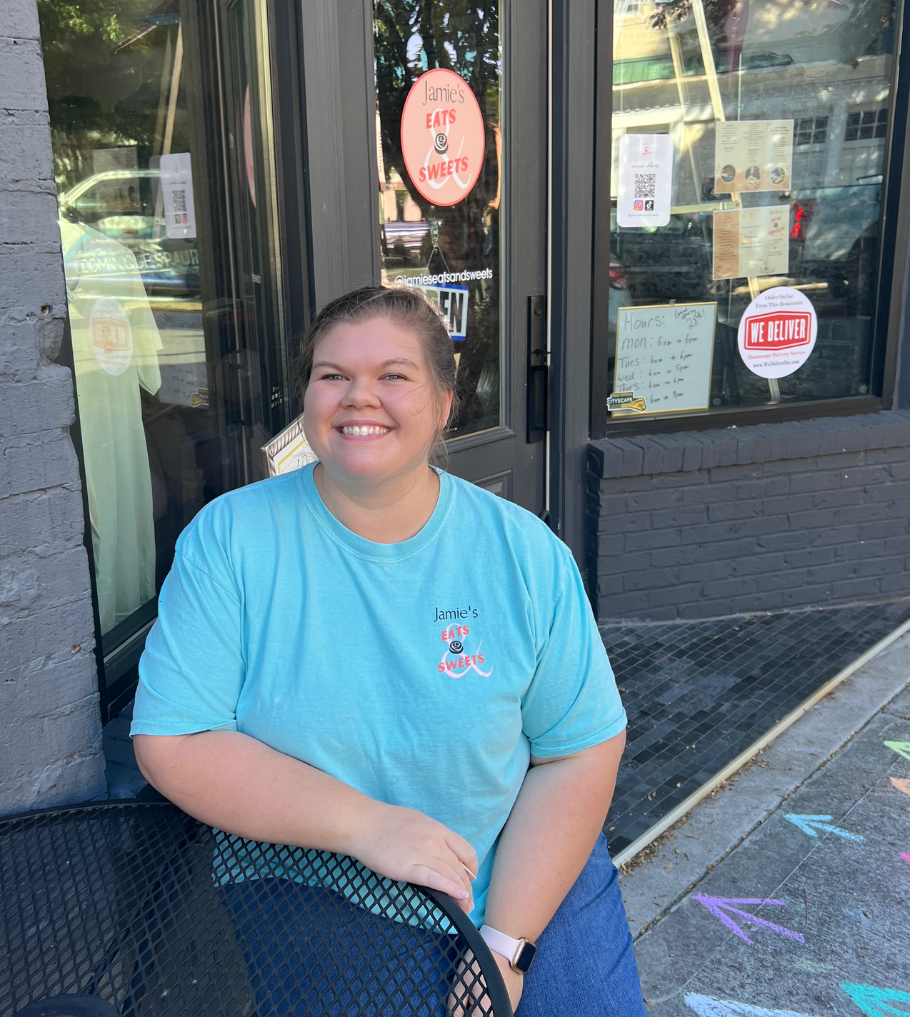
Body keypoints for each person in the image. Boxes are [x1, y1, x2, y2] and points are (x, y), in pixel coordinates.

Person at [131, 284, 647, 1017]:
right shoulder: (230, 540)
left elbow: (579, 748)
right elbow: (174, 739)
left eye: (392, 376)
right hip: (311, 865)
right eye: (332, 375)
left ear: (443, 402)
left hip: (520, 853)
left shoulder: (524, 553)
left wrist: (503, 946)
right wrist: (368, 826)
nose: (357, 397)